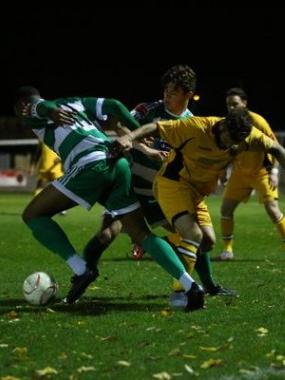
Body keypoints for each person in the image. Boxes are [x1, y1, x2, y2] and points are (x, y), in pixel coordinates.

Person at [13, 86, 205, 311]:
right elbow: (113, 105)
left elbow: (37, 106)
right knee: (141, 233)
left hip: (90, 164)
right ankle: (191, 287)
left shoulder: (28, 108)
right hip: (117, 160)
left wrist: (49, 111)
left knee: (33, 215)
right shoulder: (76, 99)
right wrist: (139, 131)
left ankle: (81, 269)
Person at [112, 107, 285, 307]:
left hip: (196, 192)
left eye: (238, 143)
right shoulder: (196, 127)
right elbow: (155, 127)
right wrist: (129, 137)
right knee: (193, 235)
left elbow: (277, 149)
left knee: (208, 242)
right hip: (173, 184)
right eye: (230, 139)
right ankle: (179, 294)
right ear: (223, 126)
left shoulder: (244, 137)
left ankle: (155, 247)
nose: (232, 146)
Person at [82, 65, 237, 304]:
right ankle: (82, 276)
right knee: (104, 235)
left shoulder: (193, 123)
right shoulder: (148, 110)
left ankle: (209, 286)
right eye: (166, 90)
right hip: (129, 188)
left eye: (174, 91)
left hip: (161, 194)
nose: (167, 95)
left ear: (188, 93)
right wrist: (144, 147)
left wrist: (217, 171)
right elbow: (118, 124)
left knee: (200, 239)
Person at [219, 87, 285, 263]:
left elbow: (276, 147)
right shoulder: (227, 122)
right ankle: (227, 251)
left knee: (273, 210)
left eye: (235, 104)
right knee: (225, 210)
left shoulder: (257, 121)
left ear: (245, 103)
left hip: (261, 172)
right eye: (228, 105)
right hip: (240, 173)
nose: (231, 108)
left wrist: (275, 172)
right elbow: (228, 148)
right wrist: (224, 168)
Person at [30, 141, 67, 215]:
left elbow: (65, 151)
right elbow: (38, 153)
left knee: (61, 188)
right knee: (39, 187)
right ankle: (38, 207)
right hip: (45, 167)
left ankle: (61, 209)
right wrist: (32, 167)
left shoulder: (58, 137)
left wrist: (60, 159)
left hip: (56, 167)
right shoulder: (42, 139)